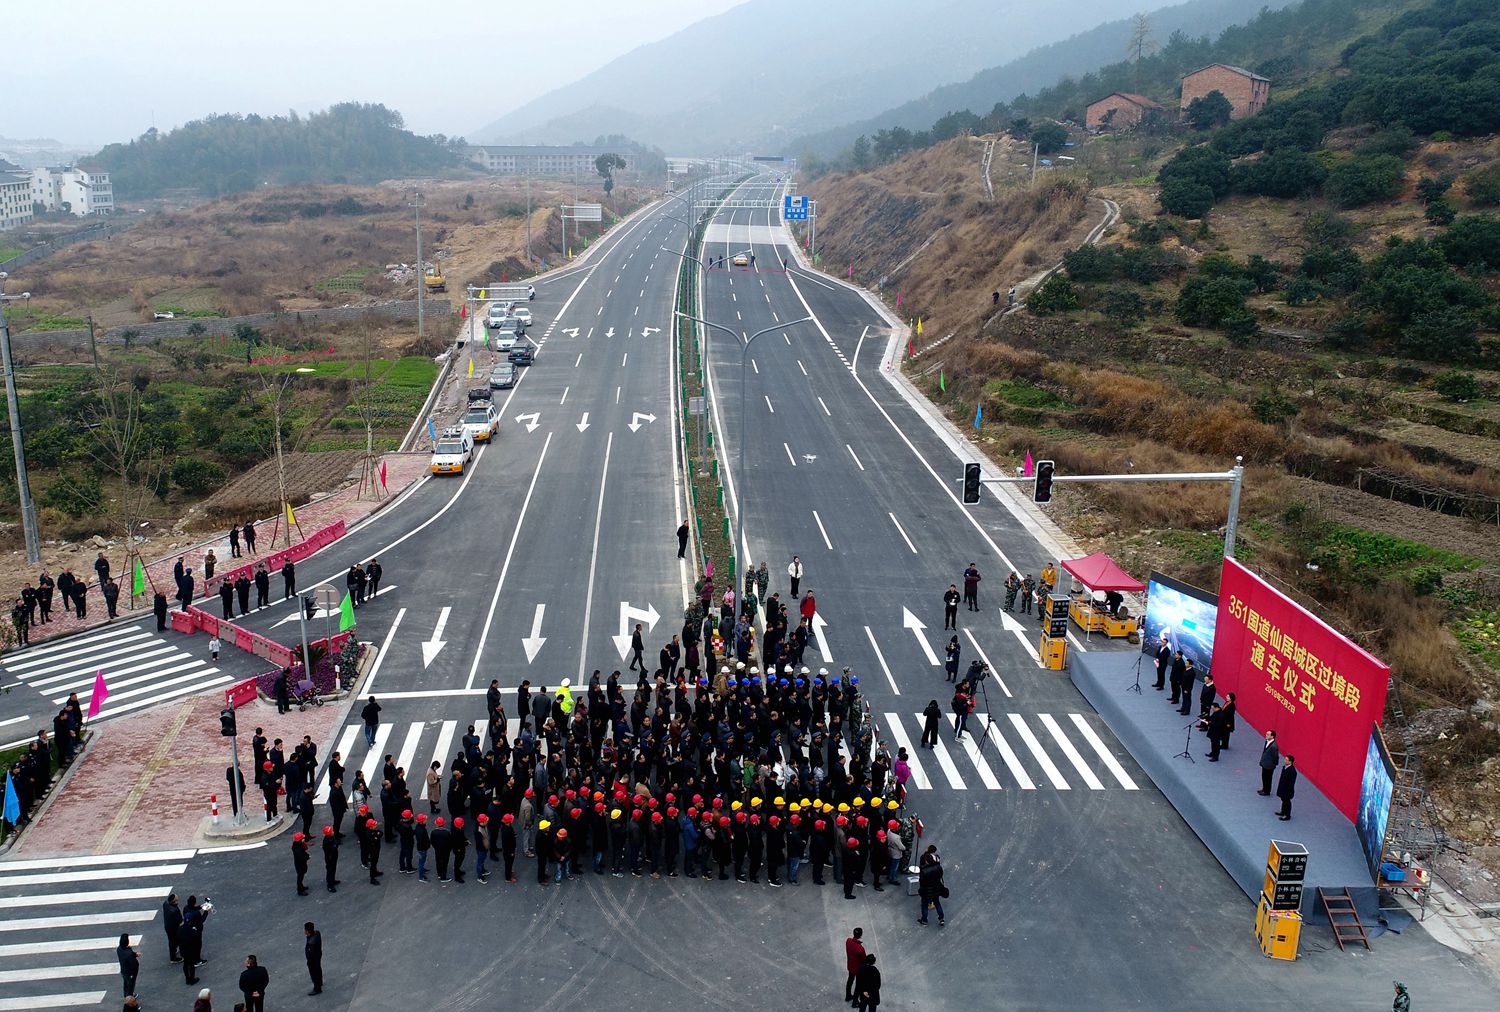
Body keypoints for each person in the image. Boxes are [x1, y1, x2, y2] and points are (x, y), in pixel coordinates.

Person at [917, 846, 946, 925]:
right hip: (936, 888)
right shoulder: (938, 867)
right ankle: (941, 918)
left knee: (924, 905)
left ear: (927, 862)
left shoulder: (925, 871)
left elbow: (922, 881)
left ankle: (924, 920)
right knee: (937, 903)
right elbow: (940, 876)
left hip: (927, 890)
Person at [844, 927, 866, 1005]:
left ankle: (848, 995)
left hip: (850, 966)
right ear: (861, 935)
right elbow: (864, 960)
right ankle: (855, 1001)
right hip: (858, 969)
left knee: (850, 981)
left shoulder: (848, 941)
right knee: (858, 985)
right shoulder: (860, 949)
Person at [1257, 730, 1280, 796]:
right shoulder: (1267, 742)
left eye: (1268, 734)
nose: (1266, 735)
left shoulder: (1273, 746)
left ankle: (1267, 791)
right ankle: (1264, 789)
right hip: (1265, 764)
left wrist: (1274, 764)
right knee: (1264, 777)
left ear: (1272, 736)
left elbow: (1275, 757)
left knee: (1268, 778)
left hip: (1269, 765)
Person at [117, 933, 140, 998]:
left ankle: (126, 995)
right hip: (130, 973)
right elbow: (134, 964)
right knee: (130, 987)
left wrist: (134, 954)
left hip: (124, 971)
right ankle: (130, 1000)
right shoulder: (128, 953)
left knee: (126, 984)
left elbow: (127, 955)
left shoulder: (119, 949)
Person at [162, 893, 183, 962]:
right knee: (173, 941)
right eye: (177, 900)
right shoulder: (174, 911)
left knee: (173, 941)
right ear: (173, 902)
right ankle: (173, 958)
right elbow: (179, 920)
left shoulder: (165, 904)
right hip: (173, 928)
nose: (178, 902)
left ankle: (174, 950)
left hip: (168, 926)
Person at [304, 922, 323, 996]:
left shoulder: (311, 942)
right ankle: (320, 982)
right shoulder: (317, 933)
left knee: (314, 973)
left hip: (313, 960)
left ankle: (317, 988)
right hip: (318, 956)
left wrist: (309, 961)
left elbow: (311, 953)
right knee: (318, 969)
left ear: (307, 931)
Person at [1276, 755, 1297, 821]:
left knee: (1287, 802)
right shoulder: (1285, 767)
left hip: (1287, 790)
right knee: (1283, 801)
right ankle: (1283, 812)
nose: (1284, 760)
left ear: (1290, 762)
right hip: (1283, 788)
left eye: (1286, 759)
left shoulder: (1292, 771)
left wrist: (1289, 792)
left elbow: (1291, 784)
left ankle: (1287, 815)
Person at [322, 825, 339, 892]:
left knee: (333, 869)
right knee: (330, 870)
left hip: (333, 856)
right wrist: (335, 845)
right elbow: (333, 848)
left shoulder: (331, 838)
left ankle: (332, 880)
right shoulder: (327, 841)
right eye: (332, 831)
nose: (333, 832)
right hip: (330, 858)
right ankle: (330, 885)